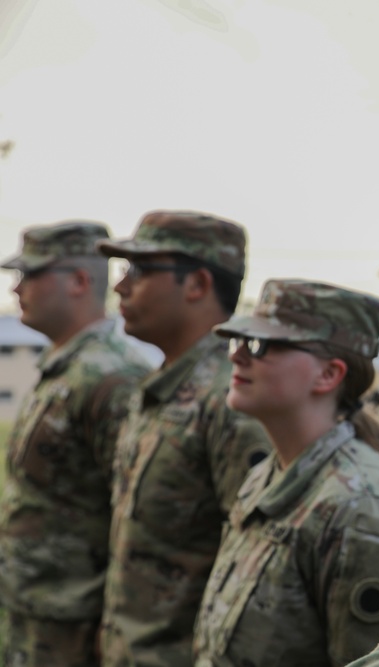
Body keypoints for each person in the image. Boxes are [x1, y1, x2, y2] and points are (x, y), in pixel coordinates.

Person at [192, 279, 379, 665]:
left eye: (261, 344)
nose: (237, 356)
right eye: (237, 341)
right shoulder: (267, 478)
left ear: (328, 375)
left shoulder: (359, 509)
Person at [95, 211, 272, 666]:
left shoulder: (231, 403)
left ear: (196, 284)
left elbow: (257, 573)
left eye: (140, 270)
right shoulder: (160, 388)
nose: (119, 286)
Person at [0, 222, 152, 667]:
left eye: (31, 274)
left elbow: (134, 515)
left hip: (81, 626)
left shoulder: (112, 376)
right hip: (41, 612)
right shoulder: (66, 367)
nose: (16, 287)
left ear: (80, 282)